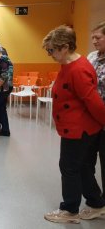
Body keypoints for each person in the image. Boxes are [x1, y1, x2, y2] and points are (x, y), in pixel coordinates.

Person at [42, 25, 105, 224]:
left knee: (69, 167)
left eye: (52, 50)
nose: (50, 54)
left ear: (65, 47)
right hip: (78, 128)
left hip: (79, 130)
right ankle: (96, 203)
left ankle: (70, 210)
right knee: (84, 167)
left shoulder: (78, 69)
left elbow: (93, 102)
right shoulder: (70, 65)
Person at [87, 21, 105, 199]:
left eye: (98, 37)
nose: (94, 41)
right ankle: (94, 197)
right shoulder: (92, 57)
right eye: (92, 37)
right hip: (91, 119)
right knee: (86, 161)